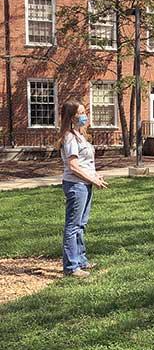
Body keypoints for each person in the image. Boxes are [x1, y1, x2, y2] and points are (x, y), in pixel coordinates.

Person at [57, 100, 108, 278]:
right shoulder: (70, 137)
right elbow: (73, 166)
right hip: (75, 186)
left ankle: (81, 261)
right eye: (82, 113)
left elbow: (85, 164)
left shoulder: (80, 136)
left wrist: (95, 175)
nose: (85, 116)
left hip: (84, 184)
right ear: (72, 117)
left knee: (81, 225)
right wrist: (92, 180)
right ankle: (71, 267)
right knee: (73, 226)